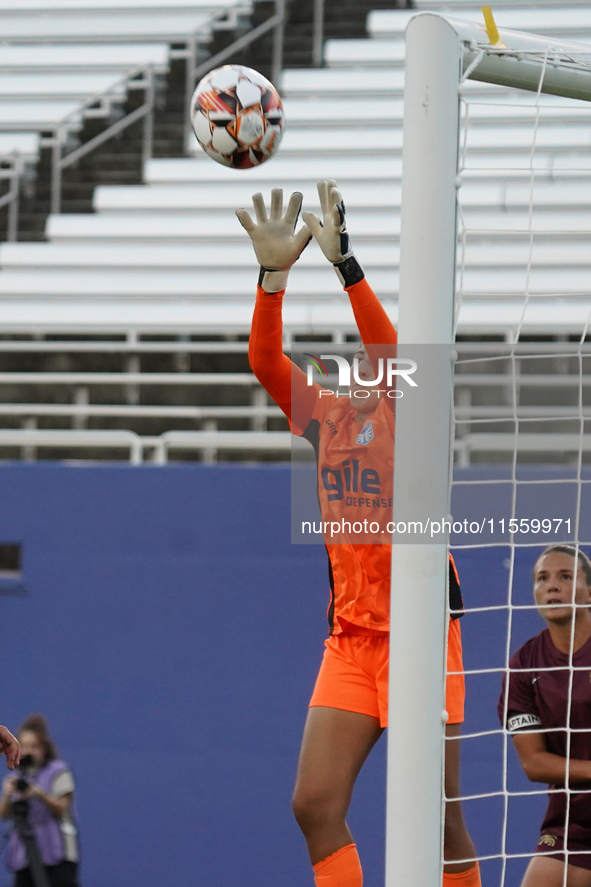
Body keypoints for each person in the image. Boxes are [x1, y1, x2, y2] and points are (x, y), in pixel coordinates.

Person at [237, 180, 481, 887]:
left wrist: (347, 269)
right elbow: (263, 361)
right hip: (351, 638)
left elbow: (386, 346)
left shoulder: (408, 407)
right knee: (314, 802)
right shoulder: (325, 418)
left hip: (422, 631)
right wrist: (272, 277)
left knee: (437, 814)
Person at [499, 544, 591, 887]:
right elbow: (534, 763)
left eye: (565, 576)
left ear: (589, 592)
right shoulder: (523, 665)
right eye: (542, 578)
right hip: (572, 824)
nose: (551, 585)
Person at [1, 715, 80, 887]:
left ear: (44, 748)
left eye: (34, 746)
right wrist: (7, 794)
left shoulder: (59, 771)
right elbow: (4, 814)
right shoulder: (16, 776)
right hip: (24, 856)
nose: (29, 751)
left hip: (57, 854)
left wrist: (39, 794)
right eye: (25, 746)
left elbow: (62, 808)